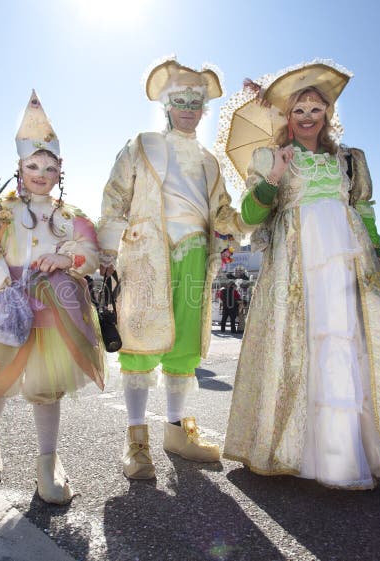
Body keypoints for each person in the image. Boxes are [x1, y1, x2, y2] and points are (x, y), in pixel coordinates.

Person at [221, 61, 380, 489]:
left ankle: (346, 448)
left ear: (328, 114)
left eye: (315, 109)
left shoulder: (351, 160)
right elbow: (247, 217)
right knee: (299, 343)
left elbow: (365, 210)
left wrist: (372, 256)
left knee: (345, 340)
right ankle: (295, 446)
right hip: (295, 262)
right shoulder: (269, 157)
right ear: (286, 116)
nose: (306, 118)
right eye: (298, 110)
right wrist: (275, 176)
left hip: (344, 256)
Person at [0, 91, 105, 504]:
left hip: (54, 311)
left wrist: (61, 257)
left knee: (47, 388)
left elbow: (91, 254)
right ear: (20, 167)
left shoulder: (72, 215)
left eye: (49, 166)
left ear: (61, 169)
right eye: (33, 166)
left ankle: (48, 464)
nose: (41, 173)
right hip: (0, 304)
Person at [97, 58, 250, 479]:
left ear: (204, 109)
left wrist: (255, 208)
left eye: (195, 102)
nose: (187, 108)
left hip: (196, 255)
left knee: (184, 350)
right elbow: (114, 198)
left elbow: (223, 215)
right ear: (167, 105)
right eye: (180, 100)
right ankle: (136, 441)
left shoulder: (210, 162)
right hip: (147, 255)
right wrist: (107, 254)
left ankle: (176, 433)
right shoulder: (141, 145)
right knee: (139, 344)